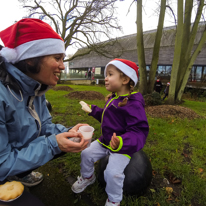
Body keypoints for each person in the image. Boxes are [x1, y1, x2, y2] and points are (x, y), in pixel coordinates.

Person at [0, 18, 88, 186]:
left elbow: (45, 127)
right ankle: (14, 175)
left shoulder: (36, 88)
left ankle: (20, 172)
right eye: (57, 58)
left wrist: (70, 132)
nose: (62, 67)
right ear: (31, 59)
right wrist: (54, 144)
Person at [71, 59, 149, 206]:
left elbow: (139, 131)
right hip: (105, 141)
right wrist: (93, 110)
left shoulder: (134, 105)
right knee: (86, 154)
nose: (105, 78)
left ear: (125, 79)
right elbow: (108, 118)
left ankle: (114, 200)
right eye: (106, 74)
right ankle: (88, 177)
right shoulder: (114, 98)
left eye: (110, 74)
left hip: (122, 147)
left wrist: (122, 142)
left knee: (112, 173)